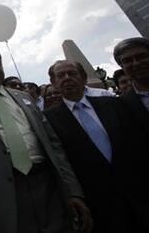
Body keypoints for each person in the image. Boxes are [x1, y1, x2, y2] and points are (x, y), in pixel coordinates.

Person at [0, 46, 92, 233]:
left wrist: (72, 190)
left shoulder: (24, 97)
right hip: (2, 196)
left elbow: (53, 145)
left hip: (47, 186)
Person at [43, 60, 149, 232]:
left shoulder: (113, 104)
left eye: (72, 73)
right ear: (53, 83)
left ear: (83, 78)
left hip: (139, 191)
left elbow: (136, 143)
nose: (67, 78)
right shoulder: (47, 119)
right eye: (61, 75)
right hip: (98, 203)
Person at [112, 37, 149, 127]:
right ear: (122, 66)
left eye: (142, 56)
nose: (136, 63)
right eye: (127, 61)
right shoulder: (120, 105)